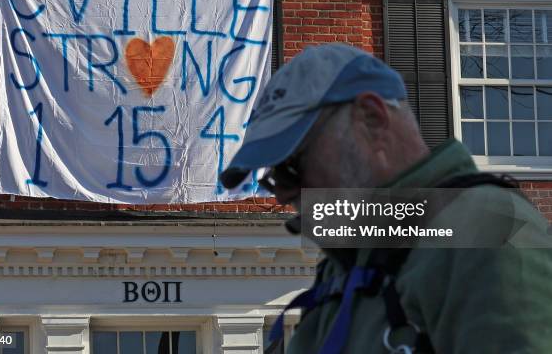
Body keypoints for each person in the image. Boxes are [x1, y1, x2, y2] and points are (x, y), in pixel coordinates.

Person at [220, 43, 552, 354]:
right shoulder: (346, 268)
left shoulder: (488, 230)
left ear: (373, 120)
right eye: (274, 176)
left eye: (291, 165)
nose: (280, 195)